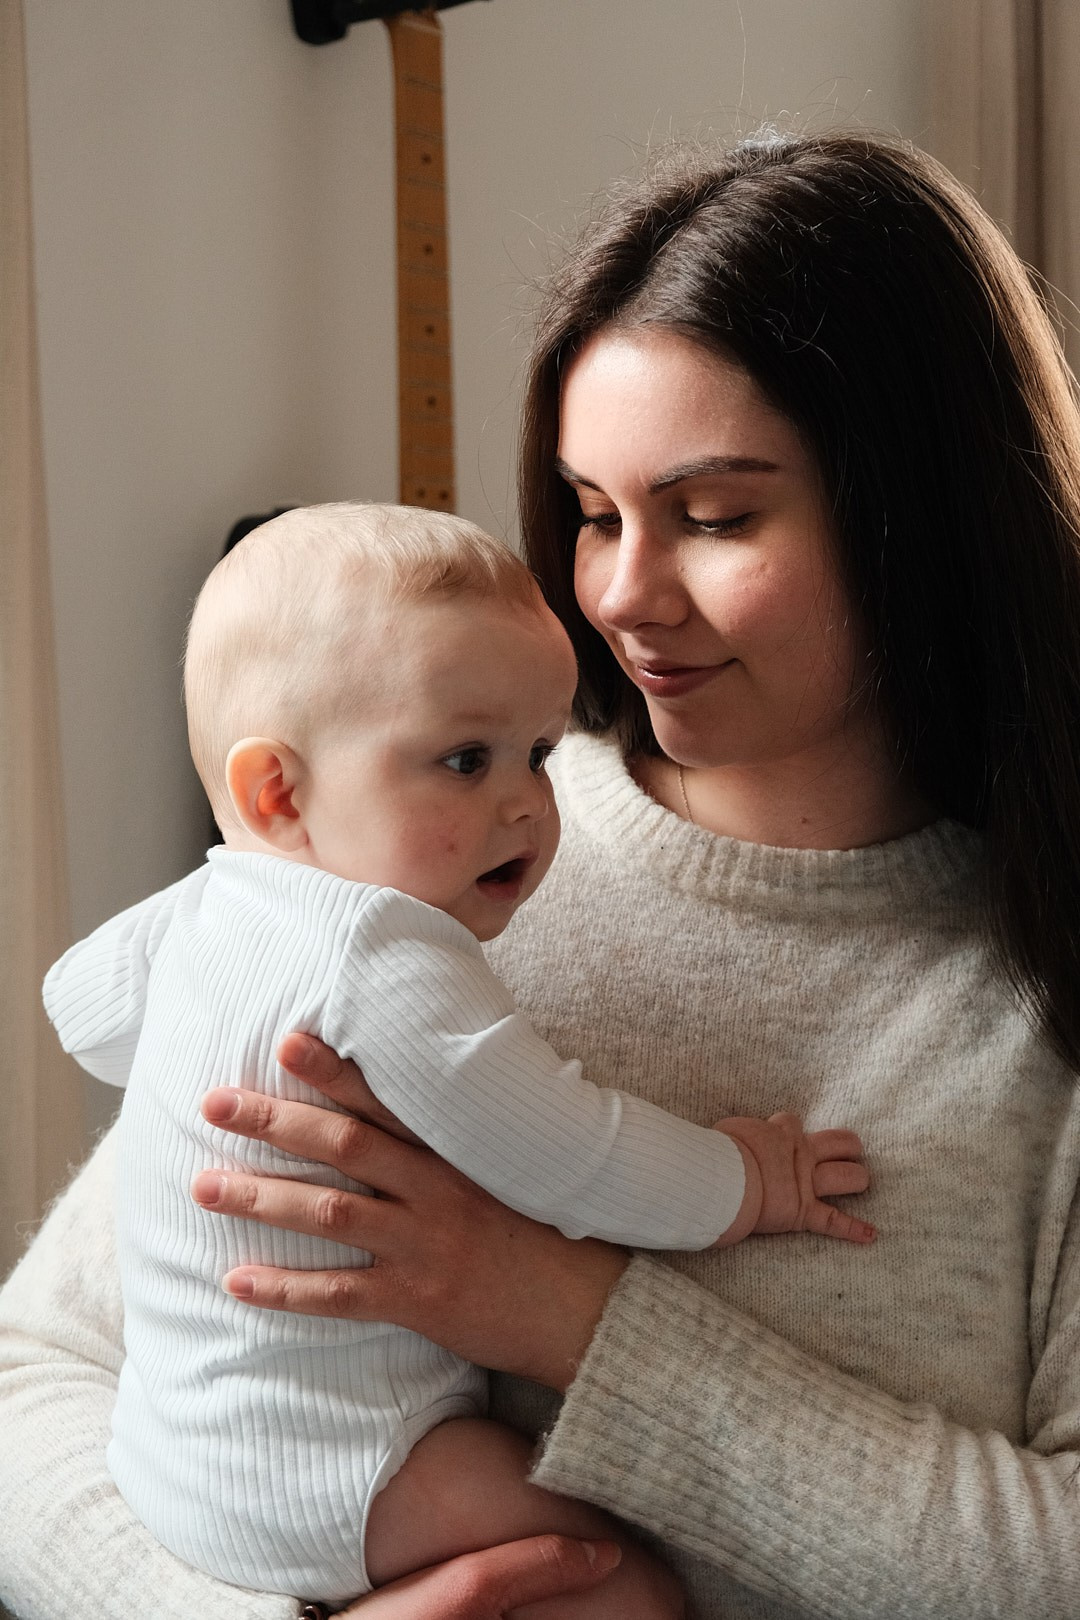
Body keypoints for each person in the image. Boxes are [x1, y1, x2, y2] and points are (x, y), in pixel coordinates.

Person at [3, 126, 1080, 1620]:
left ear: (921, 511)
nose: (621, 599)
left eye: (714, 517)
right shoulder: (408, 871)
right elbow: (38, 1373)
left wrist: (568, 1314)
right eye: (591, 514)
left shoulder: (1035, 990)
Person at [38, 500, 872, 1614]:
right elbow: (570, 1156)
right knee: (624, 1587)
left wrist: (192, 1023)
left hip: (159, 1452)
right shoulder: (383, 953)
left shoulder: (197, 910)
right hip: (347, 1467)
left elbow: (78, 1012)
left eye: (538, 749)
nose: (528, 802)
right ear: (275, 792)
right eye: (466, 760)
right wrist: (748, 1180)